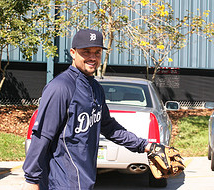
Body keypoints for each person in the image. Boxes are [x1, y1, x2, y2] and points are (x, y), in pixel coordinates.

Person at [22, 29, 152, 190]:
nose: (92, 57)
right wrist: (31, 180)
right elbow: (42, 135)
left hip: (84, 180)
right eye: (86, 52)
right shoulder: (61, 87)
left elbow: (109, 127)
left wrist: (145, 146)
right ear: (73, 52)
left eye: (97, 52)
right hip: (61, 182)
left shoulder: (95, 88)